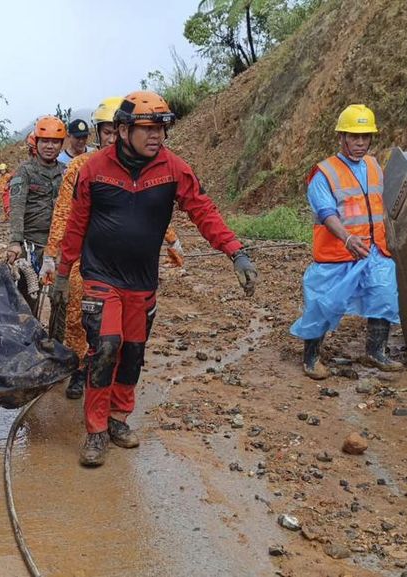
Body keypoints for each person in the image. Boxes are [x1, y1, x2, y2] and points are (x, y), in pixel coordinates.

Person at [56, 91, 258, 467]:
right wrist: (63, 275)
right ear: (122, 130)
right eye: (148, 129)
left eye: (161, 129)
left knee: (133, 353)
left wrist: (236, 252)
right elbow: (76, 225)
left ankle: (118, 419)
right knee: (105, 348)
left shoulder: (173, 169)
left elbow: (203, 211)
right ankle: (96, 430)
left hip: (142, 281)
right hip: (101, 276)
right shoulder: (93, 169)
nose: (157, 137)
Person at [42, 97, 188, 401]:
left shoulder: (140, 166)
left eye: (114, 132)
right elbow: (65, 216)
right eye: (105, 133)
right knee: (76, 320)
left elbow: (146, 211)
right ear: (100, 134)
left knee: (119, 334)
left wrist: (170, 238)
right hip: (87, 258)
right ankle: (80, 370)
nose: (111, 138)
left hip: (126, 266)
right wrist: (52, 258)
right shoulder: (85, 167)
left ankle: (110, 382)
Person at [290, 104, 403, 379]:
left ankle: (376, 351)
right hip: (338, 253)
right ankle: (311, 358)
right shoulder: (324, 173)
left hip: (374, 249)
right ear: (341, 137)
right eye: (354, 137)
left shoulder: (375, 167)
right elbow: (326, 212)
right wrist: (347, 237)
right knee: (322, 304)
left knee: (384, 296)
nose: (360, 143)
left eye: (365, 137)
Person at [6, 116, 67, 308]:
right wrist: (15, 242)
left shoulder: (66, 172)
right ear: (37, 142)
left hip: (58, 247)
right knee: (27, 297)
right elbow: (17, 207)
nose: (50, 146)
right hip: (30, 245)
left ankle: (55, 338)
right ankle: (28, 337)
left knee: (61, 298)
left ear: (61, 144)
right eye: (45, 141)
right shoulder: (25, 171)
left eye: (55, 142)